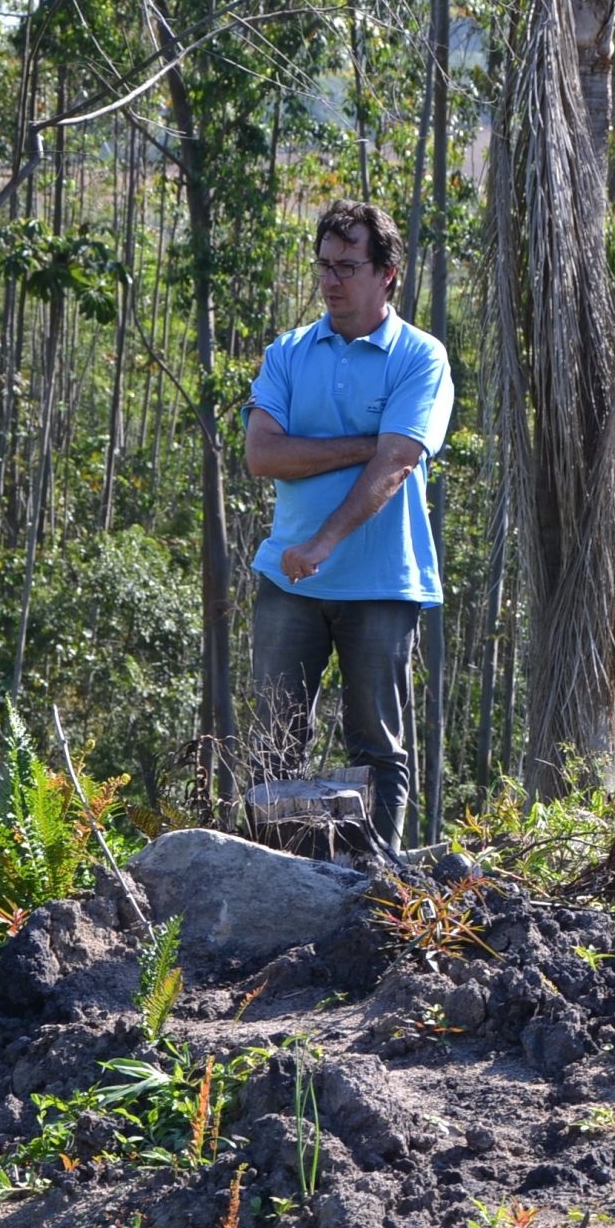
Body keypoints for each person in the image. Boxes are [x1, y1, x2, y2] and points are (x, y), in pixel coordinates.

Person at [242, 200, 454, 849]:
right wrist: (368, 441)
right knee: (276, 744)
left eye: (349, 267)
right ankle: (275, 878)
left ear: (388, 273)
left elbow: (398, 465)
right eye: (324, 266)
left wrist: (324, 541)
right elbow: (262, 453)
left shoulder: (419, 357)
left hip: (382, 584)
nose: (332, 281)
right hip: (289, 581)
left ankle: (379, 898)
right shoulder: (289, 352)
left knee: (377, 748)